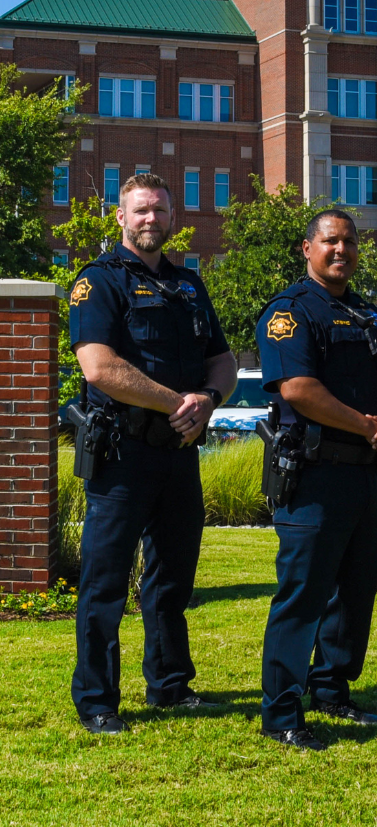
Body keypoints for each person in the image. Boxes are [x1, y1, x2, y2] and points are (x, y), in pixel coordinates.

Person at [68, 173, 237, 734]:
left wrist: (208, 400)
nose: (151, 220)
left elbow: (223, 360)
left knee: (172, 578)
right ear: (121, 217)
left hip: (178, 453)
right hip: (123, 453)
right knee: (106, 581)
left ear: (173, 218)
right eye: (140, 211)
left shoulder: (190, 284)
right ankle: (97, 700)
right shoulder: (100, 282)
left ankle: (169, 684)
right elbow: (99, 366)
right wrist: (177, 403)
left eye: (160, 211)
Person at [256, 210, 377, 751]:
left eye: (349, 241)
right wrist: (370, 426)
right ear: (308, 248)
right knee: (302, 596)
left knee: (357, 590)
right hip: (315, 476)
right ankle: (281, 712)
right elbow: (298, 389)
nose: (341, 250)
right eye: (331, 241)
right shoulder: (291, 312)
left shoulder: (370, 314)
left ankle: (332, 688)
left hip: (366, 477)